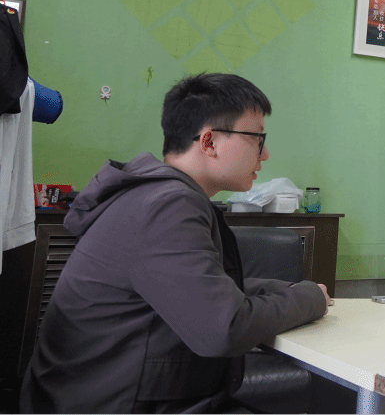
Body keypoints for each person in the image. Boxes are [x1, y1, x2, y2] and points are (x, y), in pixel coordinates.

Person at [21, 73, 330, 413]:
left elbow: (204, 288)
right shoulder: (169, 205)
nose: (265, 153)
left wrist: (286, 289)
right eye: (257, 138)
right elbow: (223, 329)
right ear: (209, 141)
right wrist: (310, 298)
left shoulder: (154, 195)